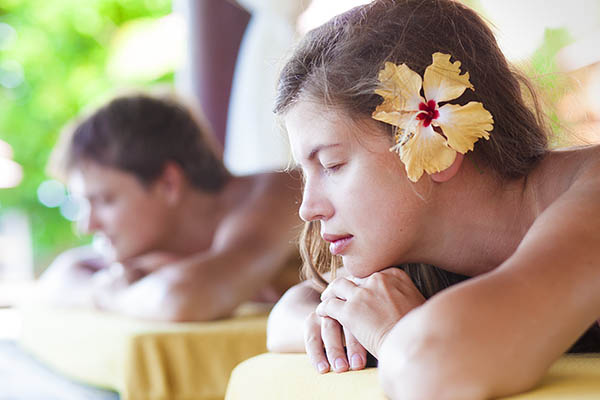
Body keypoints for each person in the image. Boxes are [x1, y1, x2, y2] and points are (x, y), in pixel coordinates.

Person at [265, 0, 600, 399]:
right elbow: (290, 309)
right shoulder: (420, 255)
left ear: (436, 141)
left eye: (332, 165)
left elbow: (431, 364)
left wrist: (391, 333)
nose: (308, 207)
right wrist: (334, 318)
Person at [38, 93, 303, 322]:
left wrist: (111, 295)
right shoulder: (157, 244)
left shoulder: (277, 195)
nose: (87, 225)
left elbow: (184, 297)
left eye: (105, 200)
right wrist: (108, 289)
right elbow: (60, 275)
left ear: (167, 183)